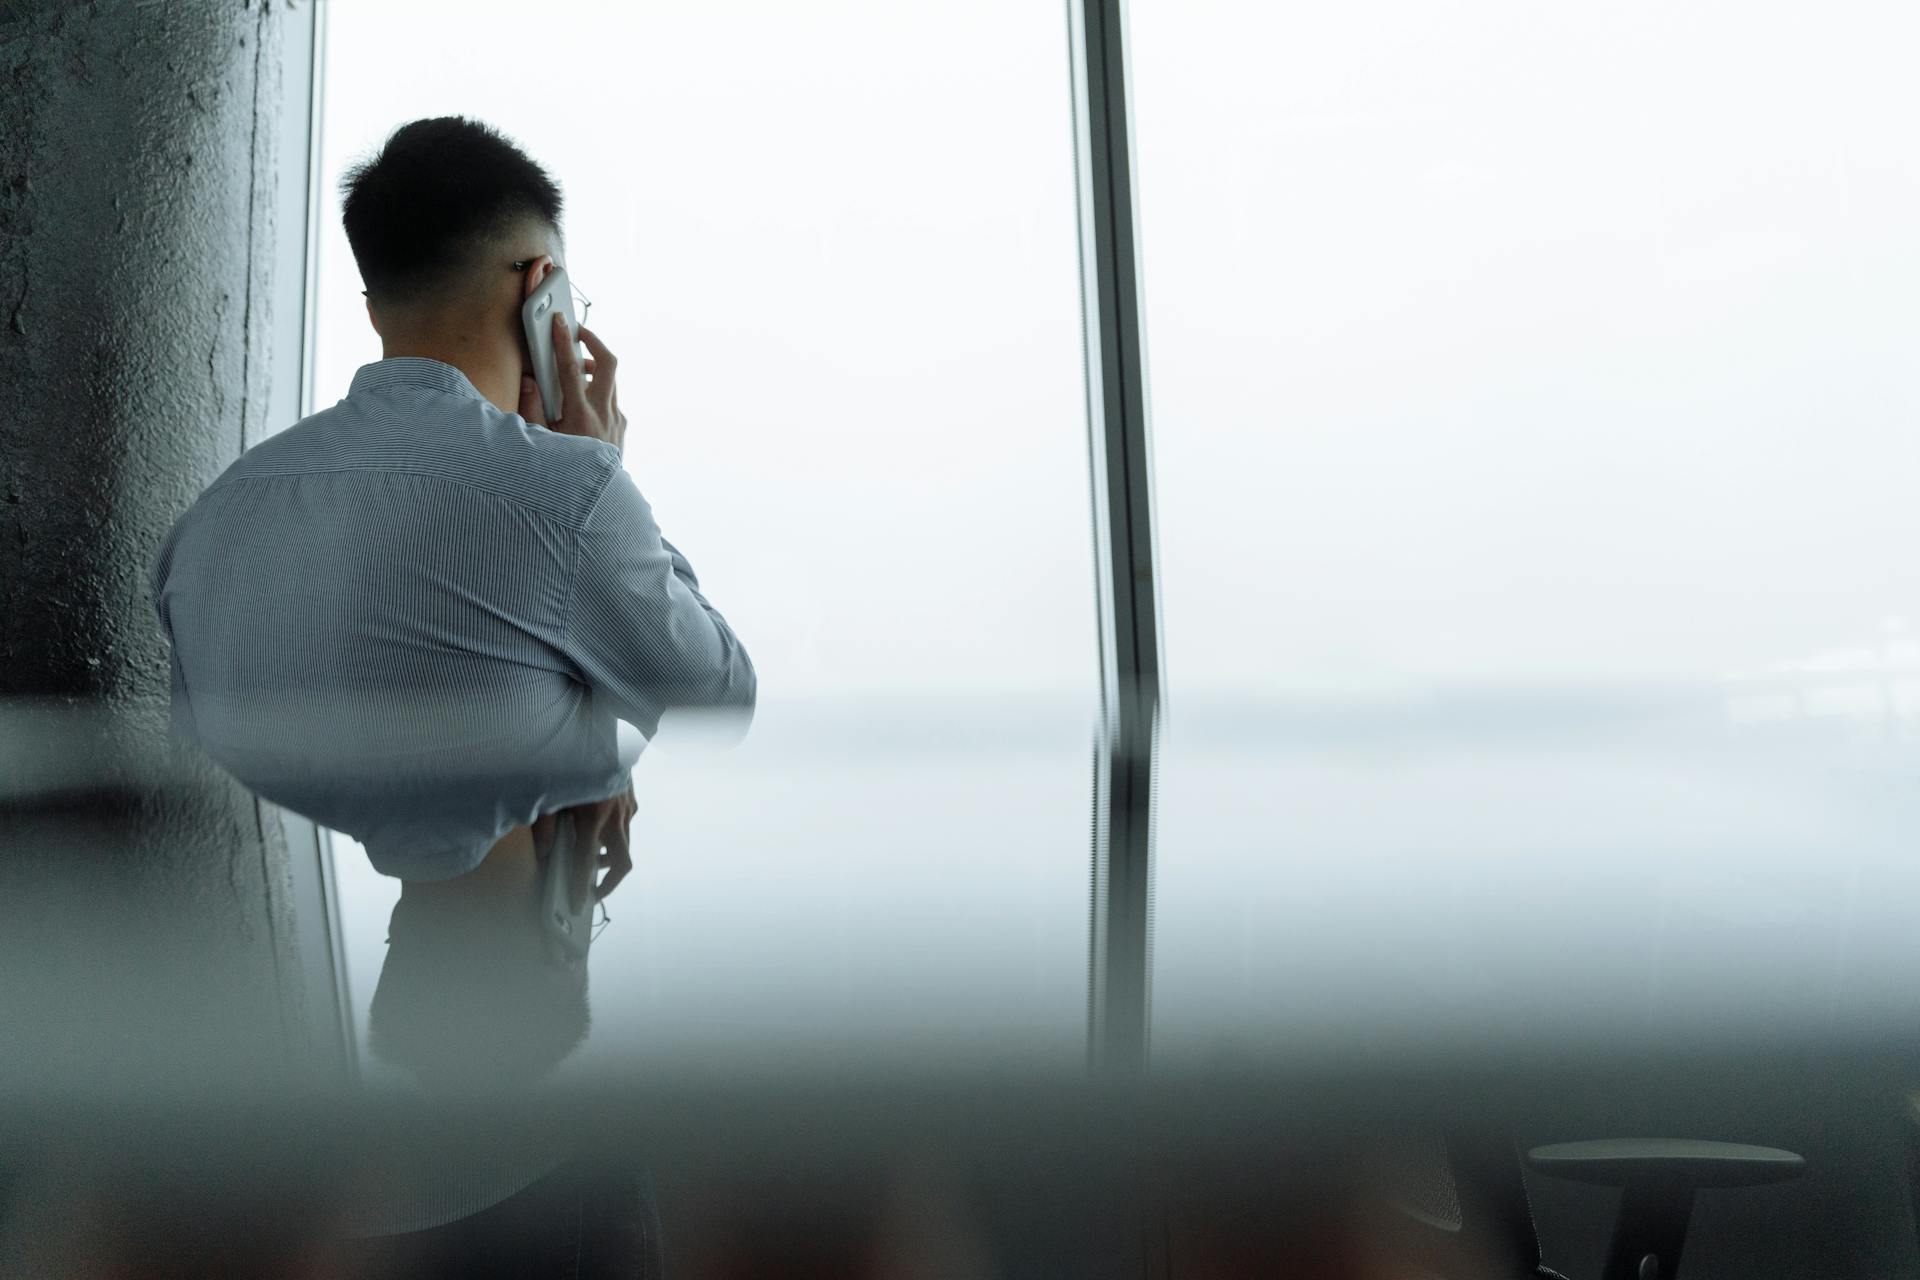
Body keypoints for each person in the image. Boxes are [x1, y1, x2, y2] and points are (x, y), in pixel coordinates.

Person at [148, 115, 755, 887]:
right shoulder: (567, 495)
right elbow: (719, 703)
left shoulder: (206, 527)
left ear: (373, 308)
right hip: (512, 960)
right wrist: (597, 462)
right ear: (545, 290)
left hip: (420, 947)